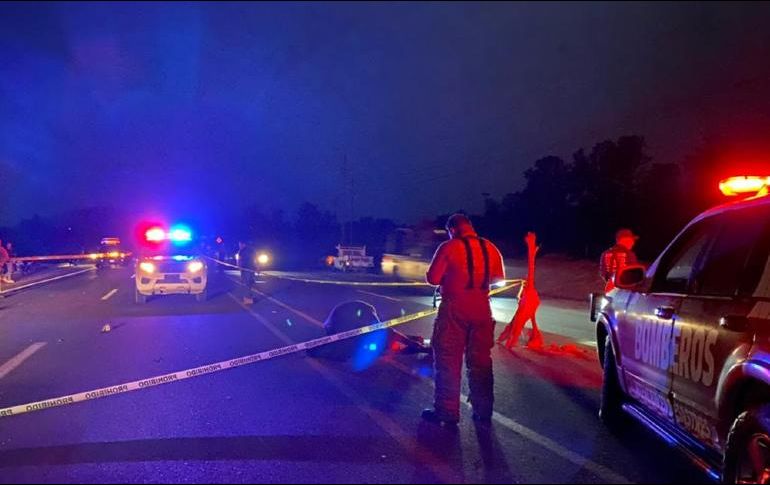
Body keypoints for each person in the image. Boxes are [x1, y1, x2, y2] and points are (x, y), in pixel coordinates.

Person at [422, 213, 505, 425]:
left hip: (454, 309)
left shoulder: (448, 247)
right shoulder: (491, 248)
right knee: (481, 362)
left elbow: (432, 278)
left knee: (448, 361)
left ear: (452, 230)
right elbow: (498, 279)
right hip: (482, 310)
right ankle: (483, 411)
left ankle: (447, 413)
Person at [497, 232, 543, 349]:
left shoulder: (529, 289)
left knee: (518, 322)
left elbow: (531, 270)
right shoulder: (527, 287)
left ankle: (511, 341)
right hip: (529, 299)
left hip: (529, 299)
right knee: (519, 321)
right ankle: (510, 339)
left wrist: (531, 247)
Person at [600, 228, 639, 293]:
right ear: (626, 240)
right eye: (632, 240)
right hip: (626, 291)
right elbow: (635, 274)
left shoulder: (605, 253)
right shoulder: (630, 254)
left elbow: (603, 273)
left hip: (610, 289)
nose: (633, 243)